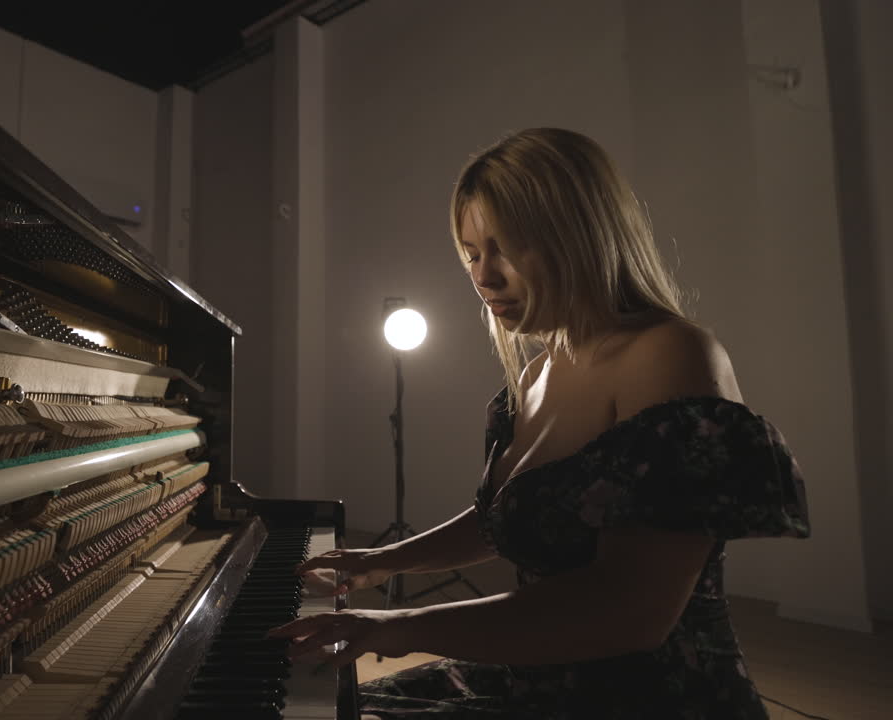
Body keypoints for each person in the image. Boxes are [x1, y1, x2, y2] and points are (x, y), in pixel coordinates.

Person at [267, 127, 810, 719]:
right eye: (471, 253)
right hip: (535, 677)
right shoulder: (532, 377)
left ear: (580, 236)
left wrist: (394, 627)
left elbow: (630, 610)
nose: (483, 276)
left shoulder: (670, 354)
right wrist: (377, 562)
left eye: (507, 248)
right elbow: (507, 518)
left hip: (654, 698)